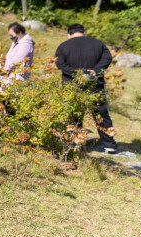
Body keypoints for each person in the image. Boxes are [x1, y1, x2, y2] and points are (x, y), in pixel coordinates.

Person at [55, 23, 128, 155]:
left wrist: (77, 73)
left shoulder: (63, 46)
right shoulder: (97, 43)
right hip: (96, 85)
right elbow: (107, 57)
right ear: (84, 33)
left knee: (74, 114)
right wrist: (95, 70)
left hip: (72, 86)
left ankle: (77, 142)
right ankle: (109, 145)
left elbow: (60, 63)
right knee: (101, 114)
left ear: (69, 34)